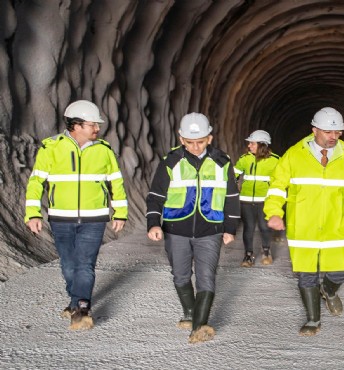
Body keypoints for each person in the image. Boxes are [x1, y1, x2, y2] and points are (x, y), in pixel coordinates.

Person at [264, 107, 344, 336]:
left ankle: (329, 291)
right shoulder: (294, 155)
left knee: (341, 271)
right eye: (328, 132)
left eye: (337, 132)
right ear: (314, 130)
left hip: (337, 224)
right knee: (306, 273)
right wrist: (273, 212)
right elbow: (277, 186)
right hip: (304, 224)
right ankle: (313, 319)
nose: (333, 136)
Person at [24, 99, 128, 330]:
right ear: (77, 125)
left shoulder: (104, 150)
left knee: (85, 264)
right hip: (61, 218)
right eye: (93, 124)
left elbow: (116, 184)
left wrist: (120, 212)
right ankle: (74, 300)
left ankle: (82, 308)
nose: (97, 129)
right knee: (69, 265)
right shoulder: (51, 148)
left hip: (95, 218)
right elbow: (36, 183)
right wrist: (33, 214)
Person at [145, 112, 240, 344]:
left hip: (211, 229)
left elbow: (232, 197)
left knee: (207, 277)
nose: (195, 147)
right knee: (180, 275)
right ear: (181, 139)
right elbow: (156, 196)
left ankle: (199, 326)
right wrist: (153, 223)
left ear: (210, 138)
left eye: (200, 141)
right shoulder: (170, 162)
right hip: (176, 229)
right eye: (190, 142)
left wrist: (230, 228)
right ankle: (189, 311)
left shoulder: (223, 162)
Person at [234, 130, 280, 267]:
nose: (249, 146)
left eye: (252, 143)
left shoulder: (275, 161)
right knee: (248, 228)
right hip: (246, 200)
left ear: (262, 145)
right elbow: (234, 174)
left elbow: (280, 180)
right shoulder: (245, 159)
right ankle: (248, 255)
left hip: (265, 200)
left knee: (264, 227)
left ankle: (266, 251)